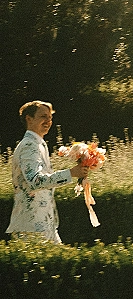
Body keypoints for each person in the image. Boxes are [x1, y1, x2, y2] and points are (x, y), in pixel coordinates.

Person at [5, 100, 89, 244]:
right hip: (31, 227)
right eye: (43, 116)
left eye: (50, 118)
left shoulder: (39, 144)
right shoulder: (29, 145)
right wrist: (71, 173)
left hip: (45, 224)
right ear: (29, 119)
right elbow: (36, 181)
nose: (48, 121)